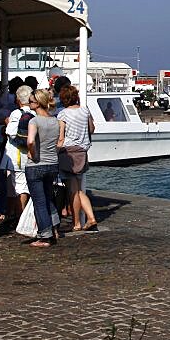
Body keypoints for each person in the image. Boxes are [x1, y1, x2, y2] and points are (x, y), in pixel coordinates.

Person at [57, 85, 98, 232]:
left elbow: (61, 137)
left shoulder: (63, 114)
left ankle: (77, 223)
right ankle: (91, 218)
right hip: (82, 151)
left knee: (73, 191)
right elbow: (92, 129)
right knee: (80, 189)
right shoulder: (85, 110)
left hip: (68, 152)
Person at [25, 88, 61, 248]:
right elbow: (59, 142)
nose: (28, 104)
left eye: (31, 101)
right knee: (47, 197)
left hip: (36, 165)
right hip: (52, 163)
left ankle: (45, 235)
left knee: (39, 201)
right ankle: (55, 226)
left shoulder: (34, 121)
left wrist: (32, 154)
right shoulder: (55, 120)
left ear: (38, 103)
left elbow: (31, 141)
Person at [3, 85, 34, 218]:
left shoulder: (16, 113)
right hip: (30, 154)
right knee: (25, 186)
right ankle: (18, 214)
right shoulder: (35, 113)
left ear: (18, 99)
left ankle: (19, 216)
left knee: (18, 187)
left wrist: (7, 122)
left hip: (16, 155)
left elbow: (10, 132)